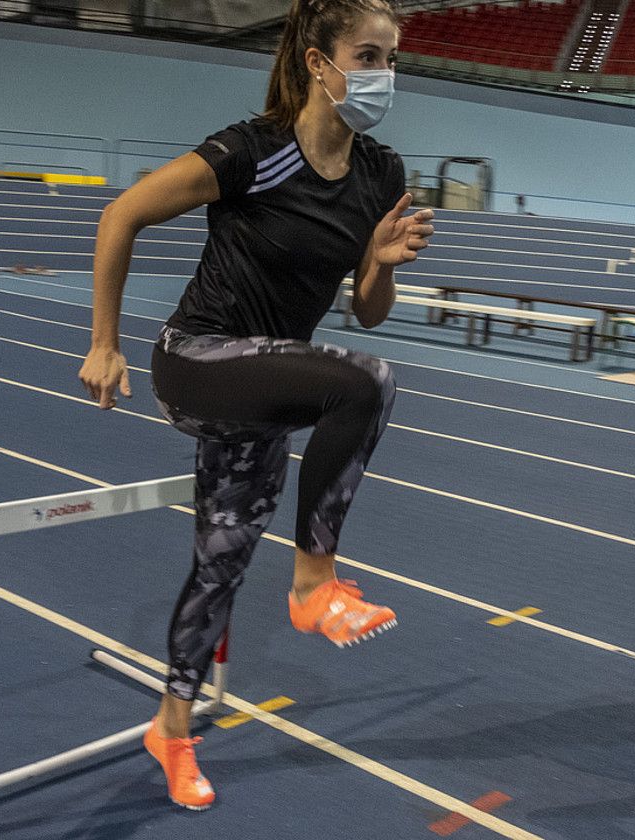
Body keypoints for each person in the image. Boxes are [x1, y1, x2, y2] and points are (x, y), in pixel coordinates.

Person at [78, 0, 434, 812]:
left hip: (267, 392)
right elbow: (120, 214)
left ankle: (171, 730)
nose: (384, 74)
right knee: (366, 380)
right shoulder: (254, 151)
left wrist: (378, 262)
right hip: (199, 362)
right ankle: (314, 585)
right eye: (368, 55)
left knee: (220, 564)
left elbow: (368, 310)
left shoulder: (382, 174)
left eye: (390, 58)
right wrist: (105, 342)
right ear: (319, 62)